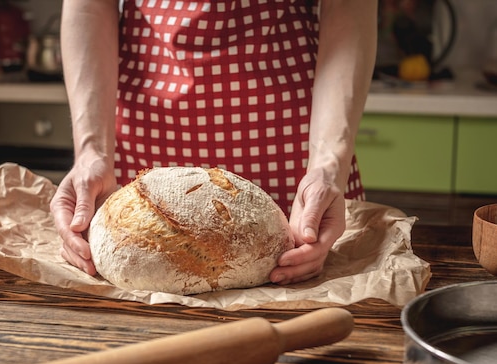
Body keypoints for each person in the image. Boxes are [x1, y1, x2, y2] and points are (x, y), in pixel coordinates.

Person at [50, 0, 377, 286]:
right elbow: (90, 4)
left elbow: (347, 6)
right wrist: (92, 152)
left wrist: (326, 167)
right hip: (142, 143)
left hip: (295, 142)